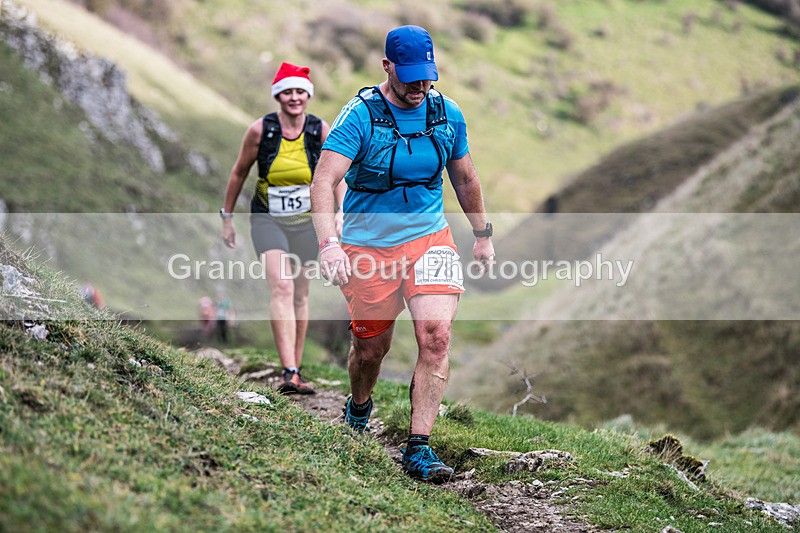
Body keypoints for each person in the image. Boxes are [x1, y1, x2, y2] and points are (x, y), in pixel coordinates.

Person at [310, 26, 494, 483]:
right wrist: (329, 244)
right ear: (387, 67)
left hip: (429, 239)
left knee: (436, 336)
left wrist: (483, 234)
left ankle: (419, 448)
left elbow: (465, 179)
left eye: (426, 78)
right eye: (409, 78)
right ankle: (358, 408)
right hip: (367, 246)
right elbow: (323, 181)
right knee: (370, 349)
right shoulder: (360, 116)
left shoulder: (446, 114)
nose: (419, 88)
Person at [221, 61, 345, 395]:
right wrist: (227, 217)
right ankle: (288, 370)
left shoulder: (321, 130)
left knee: (302, 294)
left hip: (308, 222)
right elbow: (238, 173)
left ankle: (296, 366)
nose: (294, 98)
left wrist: (340, 211)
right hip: (268, 219)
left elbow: (336, 176)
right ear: (278, 95)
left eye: (300, 92)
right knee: (282, 288)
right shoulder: (260, 131)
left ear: (308, 95)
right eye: (287, 91)